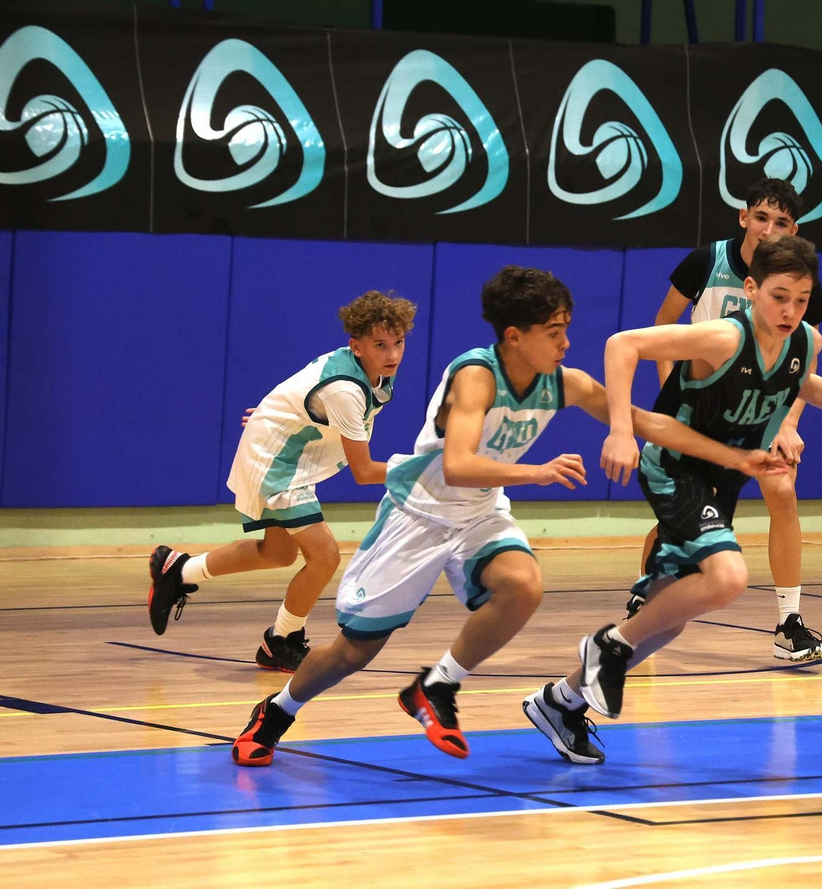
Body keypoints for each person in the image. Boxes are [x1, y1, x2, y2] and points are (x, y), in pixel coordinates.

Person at [230, 266, 786, 767]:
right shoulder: (476, 376)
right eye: (554, 333)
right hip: (419, 514)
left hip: (480, 512)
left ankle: (438, 687)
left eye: (566, 329)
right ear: (515, 336)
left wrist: (736, 457)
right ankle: (276, 712)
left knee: (523, 586)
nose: (567, 343)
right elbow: (460, 464)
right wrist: (538, 473)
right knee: (355, 650)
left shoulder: (563, 381)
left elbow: (646, 422)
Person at [535, 236, 822, 763]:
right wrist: (622, 431)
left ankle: (560, 701)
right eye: (779, 296)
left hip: (724, 479)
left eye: (802, 299)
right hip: (676, 467)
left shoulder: (804, 343)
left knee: (667, 621)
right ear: (750, 289)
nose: (790, 311)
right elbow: (622, 344)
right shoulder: (722, 336)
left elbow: (802, 384)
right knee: (728, 579)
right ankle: (607, 645)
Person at [147, 291, 416, 672]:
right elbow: (365, 472)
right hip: (277, 463)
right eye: (380, 345)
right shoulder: (345, 387)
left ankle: (179, 570)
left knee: (279, 554)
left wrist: (275, 413)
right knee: (324, 556)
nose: (392, 354)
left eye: (398, 343)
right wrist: (426, 469)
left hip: (284, 451)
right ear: (356, 347)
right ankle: (282, 640)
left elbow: (301, 390)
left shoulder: (372, 374)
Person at [635, 177, 822, 661]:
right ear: (744, 218)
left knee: (782, 489)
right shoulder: (706, 261)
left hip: (762, 406)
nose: (768, 229)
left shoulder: (798, 279)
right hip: (704, 405)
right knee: (688, 513)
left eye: (781, 222)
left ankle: (790, 621)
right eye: (761, 217)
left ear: (793, 228)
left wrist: (788, 422)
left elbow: (803, 361)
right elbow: (663, 326)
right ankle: (644, 599)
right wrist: (670, 391)